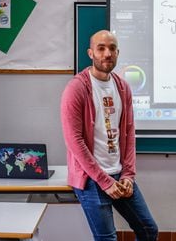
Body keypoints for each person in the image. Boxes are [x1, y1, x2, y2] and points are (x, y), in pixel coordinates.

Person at [60, 30, 158, 241]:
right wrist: (104, 181)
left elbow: (129, 133)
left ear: (118, 52)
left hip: (120, 175)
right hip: (92, 180)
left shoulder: (122, 87)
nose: (107, 53)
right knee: (107, 239)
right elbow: (74, 141)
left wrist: (128, 175)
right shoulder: (76, 88)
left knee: (149, 230)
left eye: (112, 48)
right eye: (101, 48)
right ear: (90, 53)